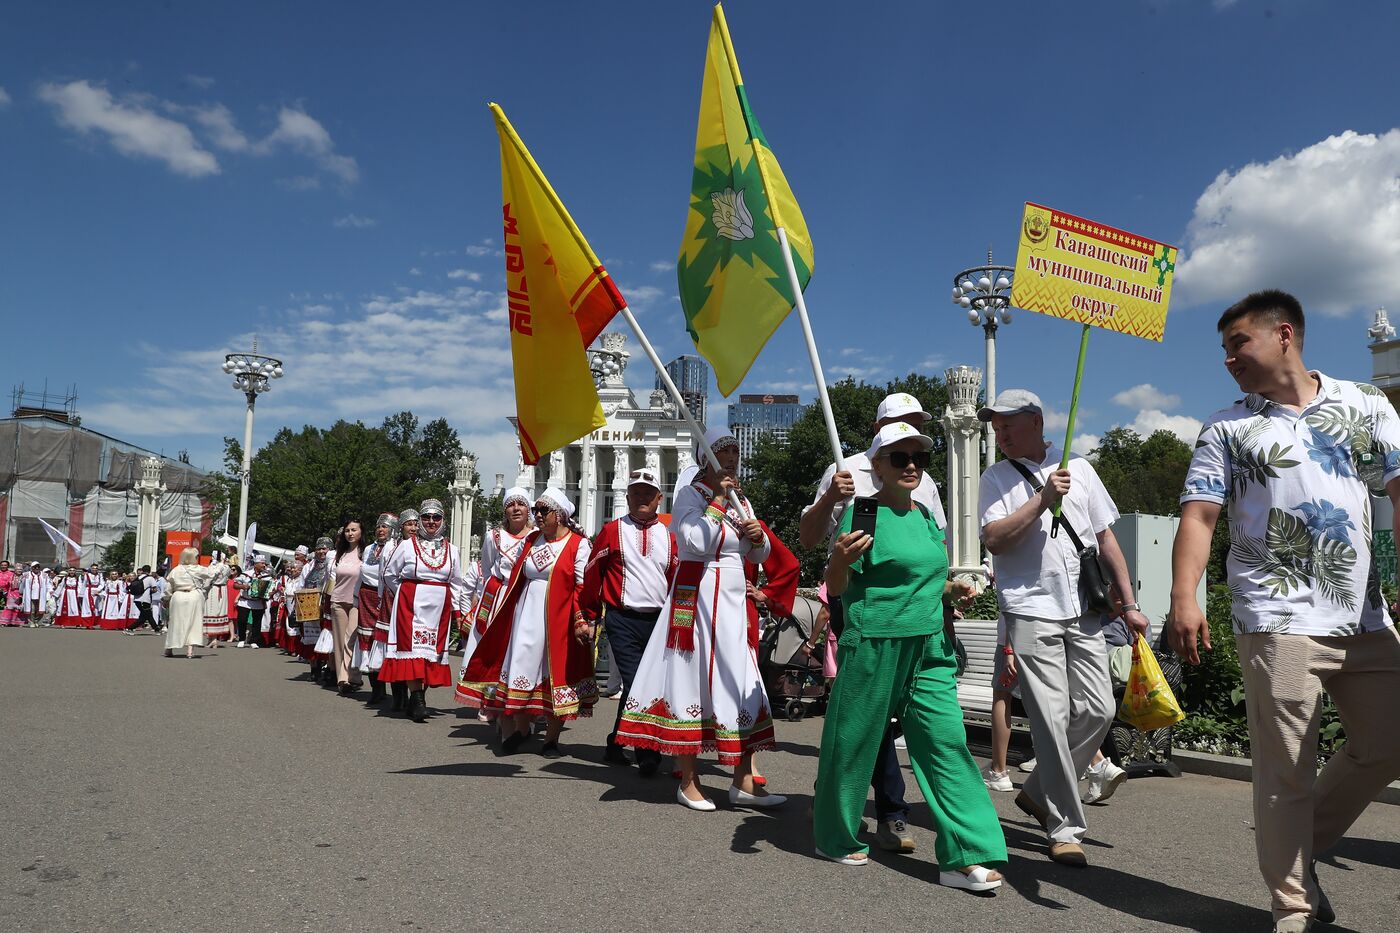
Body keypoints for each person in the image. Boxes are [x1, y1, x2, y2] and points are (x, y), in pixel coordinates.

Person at [1168, 290, 1400, 933]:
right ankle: (1293, 905)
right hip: (1276, 617)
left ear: (1284, 335)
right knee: (1286, 770)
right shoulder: (1227, 428)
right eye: (1223, 349)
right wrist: (1184, 597)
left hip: (1365, 615)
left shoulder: (1367, 404)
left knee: (1388, 743)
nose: (1229, 359)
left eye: (1238, 343)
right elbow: (1200, 516)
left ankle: (1298, 840)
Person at [815, 422, 1007, 889]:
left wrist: (950, 586)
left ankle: (966, 856)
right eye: (898, 458)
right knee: (853, 743)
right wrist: (838, 562)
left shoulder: (924, 516)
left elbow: (920, 579)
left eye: (918, 457)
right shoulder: (862, 514)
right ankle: (835, 835)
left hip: (929, 647)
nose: (911, 466)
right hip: (874, 642)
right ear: (876, 466)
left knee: (946, 743)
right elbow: (838, 586)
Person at [978, 388, 1148, 867]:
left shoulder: (1081, 467)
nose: (1001, 433)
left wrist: (1129, 601)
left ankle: (1036, 790)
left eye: (1009, 424)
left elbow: (1104, 538)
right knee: (1051, 720)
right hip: (1030, 607)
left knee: (1097, 709)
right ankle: (1064, 826)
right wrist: (1042, 499)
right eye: (996, 427)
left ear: (1036, 421)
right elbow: (994, 539)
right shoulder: (995, 478)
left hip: (1085, 608)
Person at [797, 392, 948, 852]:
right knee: (870, 713)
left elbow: (936, 539)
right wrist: (829, 499)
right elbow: (808, 538)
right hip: (859, 600)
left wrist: (946, 590)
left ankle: (882, 809)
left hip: (919, 610)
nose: (913, 452)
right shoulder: (845, 468)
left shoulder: (921, 479)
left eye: (920, 433)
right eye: (903, 426)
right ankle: (879, 809)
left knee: (919, 720)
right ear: (880, 433)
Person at [616, 428, 785, 811]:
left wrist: (759, 537)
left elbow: (757, 556)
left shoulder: (742, 498)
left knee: (739, 680)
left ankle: (743, 781)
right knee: (691, 678)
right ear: (705, 458)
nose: (730, 457)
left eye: (734, 451)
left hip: (731, 598)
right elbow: (695, 542)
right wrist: (719, 501)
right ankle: (688, 779)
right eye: (721, 451)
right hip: (699, 594)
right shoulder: (692, 493)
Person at [459, 487, 597, 756]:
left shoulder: (578, 545)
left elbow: (583, 586)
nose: (538, 515)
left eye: (543, 511)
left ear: (558, 515)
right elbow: (511, 576)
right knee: (521, 667)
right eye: (536, 511)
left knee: (556, 674)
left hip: (558, 620)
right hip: (525, 615)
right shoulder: (533, 540)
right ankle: (520, 729)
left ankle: (551, 739)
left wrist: (581, 619)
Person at [577, 469, 677, 771]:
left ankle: (616, 742)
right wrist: (589, 617)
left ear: (659, 498)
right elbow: (593, 573)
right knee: (638, 684)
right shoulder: (612, 531)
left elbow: (675, 580)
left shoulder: (670, 536)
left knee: (648, 685)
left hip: (658, 623)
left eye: (648, 492)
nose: (642, 497)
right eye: (636, 492)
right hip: (622, 619)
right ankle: (648, 752)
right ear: (627, 497)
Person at [380, 500, 467, 722]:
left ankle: (416, 698)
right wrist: (403, 592)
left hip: (439, 607)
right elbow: (390, 573)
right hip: (410, 604)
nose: (431, 522)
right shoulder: (407, 545)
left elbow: (456, 582)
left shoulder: (452, 549)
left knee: (429, 652)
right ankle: (418, 699)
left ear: (442, 521)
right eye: (426, 517)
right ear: (419, 520)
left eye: (436, 517)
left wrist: (458, 612)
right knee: (413, 650)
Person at [372, 510, 420, 713]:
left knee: (415, 648)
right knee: (394, 649)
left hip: (417, 600)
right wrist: (382, 599)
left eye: (416, 524)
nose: (413, 528)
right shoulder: (392, 546)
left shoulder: (423, 546)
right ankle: (398, 695)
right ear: (401, 527)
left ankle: (416, 697)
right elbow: (385, 575)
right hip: (394, 599)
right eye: (408, 524)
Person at [355, 513, 398, 706]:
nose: (381, 530)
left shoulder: (396, 547)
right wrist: (355, 599)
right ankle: (376, 689)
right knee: (369, 639)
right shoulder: (369, 549)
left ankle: (396, 692)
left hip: (386, 597)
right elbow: (361, 574)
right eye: (379, 527)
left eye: (385, 527)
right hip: (366, 596)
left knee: (385, 639)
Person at [329, 521, 366, 695]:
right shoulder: (339, 554)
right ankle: (343, 679)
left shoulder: (366, 553)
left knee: (350, 639)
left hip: (357, 601)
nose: (350, 533)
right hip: (338, 600)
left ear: (361, 532)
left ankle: (352, 676)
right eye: (347, 530)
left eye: (354, 530)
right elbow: (332, 580)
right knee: (339, 642)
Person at [164, 547, 220, 659]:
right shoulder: (198, 569)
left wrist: (166, 598)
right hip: (194, 595)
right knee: (194, 623)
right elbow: (214, 573)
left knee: (175, 622)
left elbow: (168, 587)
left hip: (178, 596)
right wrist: (217, 564)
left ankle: (169, 648)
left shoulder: (176, 570)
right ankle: (190, 650)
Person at [298, 540, 335, 681]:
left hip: (326, 604)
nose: (321, 552)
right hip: (309, 605)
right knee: (310, 638)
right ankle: (314, 669)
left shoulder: (332, 565)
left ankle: (327, 667)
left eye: (324, 549)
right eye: (318, 549)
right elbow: (301, 584)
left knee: (325, 636)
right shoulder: (309, 566)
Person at [234, 555, 274, 648]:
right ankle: (242, 639)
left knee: (257, 622)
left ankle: (254, 640)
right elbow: (235, 585)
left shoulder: (267, 576)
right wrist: (243, 586)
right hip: (245, 601)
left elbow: (271, 588)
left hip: (258, 602)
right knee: (242, 620)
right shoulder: (246, 574)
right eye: (262, 563)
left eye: (264, 563)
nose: (264, 565)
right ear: (256, 564)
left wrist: (269, 593)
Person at [203, 553, 234, 646]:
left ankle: (213, 639)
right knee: (219, 612)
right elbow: (229, 575)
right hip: (223, 589)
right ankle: (213, 638)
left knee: (211, 612)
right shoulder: (227, 567)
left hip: (214, 589)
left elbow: (209, 577)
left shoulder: (214, 567)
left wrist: (205, 588)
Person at [0, 561, 19, 626]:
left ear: (7, 566)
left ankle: (7, 621)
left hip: (7, 592)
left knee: (7, 608)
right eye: (2, 565)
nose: (3, 566)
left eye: (5, 565)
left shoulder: (11, 574)